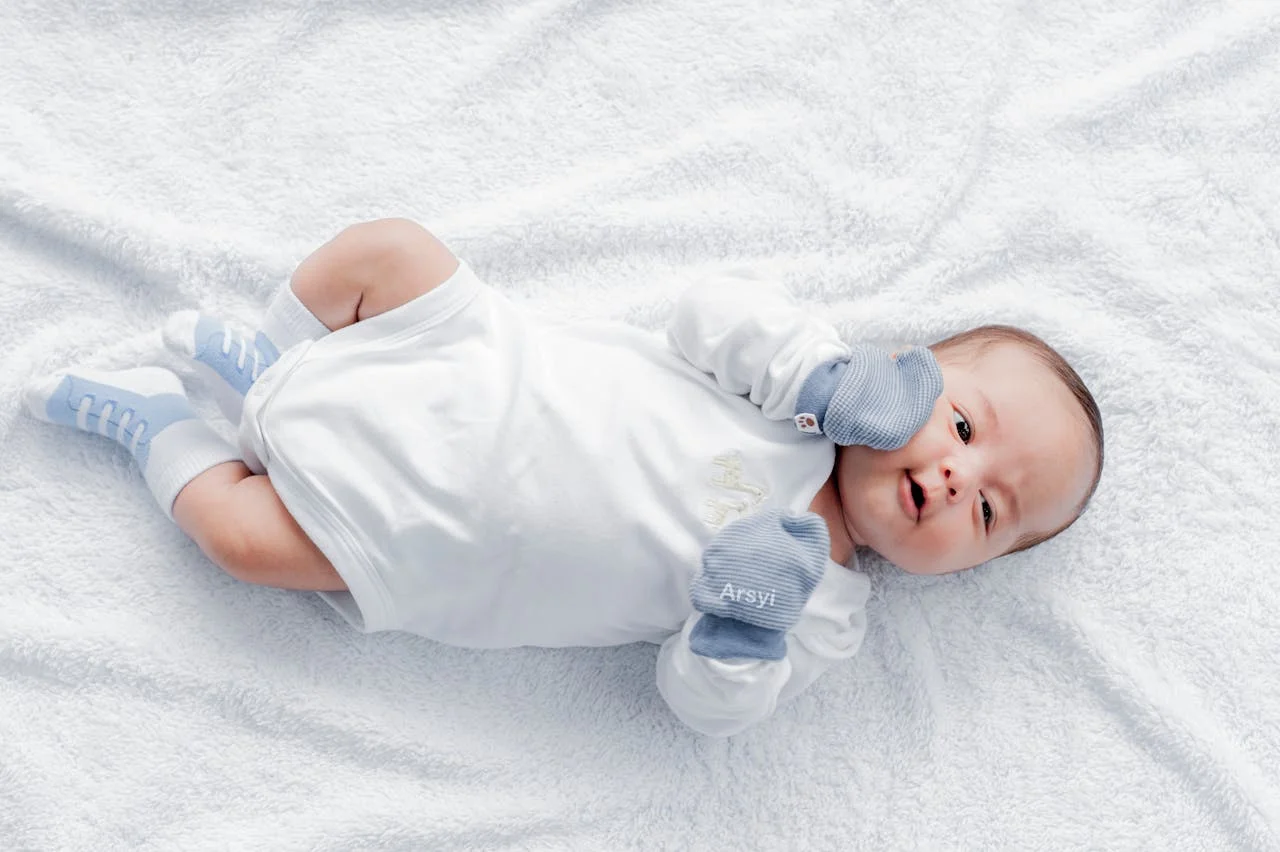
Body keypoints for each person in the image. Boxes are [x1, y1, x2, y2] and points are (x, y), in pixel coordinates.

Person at [23, 218, 1104, 737]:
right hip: (473, 371)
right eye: (961, 422)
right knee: (386, 251)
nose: (958, 476)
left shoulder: (820, 609)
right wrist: (823, 376)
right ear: (905, 367)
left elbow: (707, 712)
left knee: (247, 544)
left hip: (429, 540)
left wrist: (735, 631)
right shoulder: (792, 385)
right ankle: (279, 366)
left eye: (992, 511)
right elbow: (701, 306)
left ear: (967, 566)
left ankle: (164, 429)